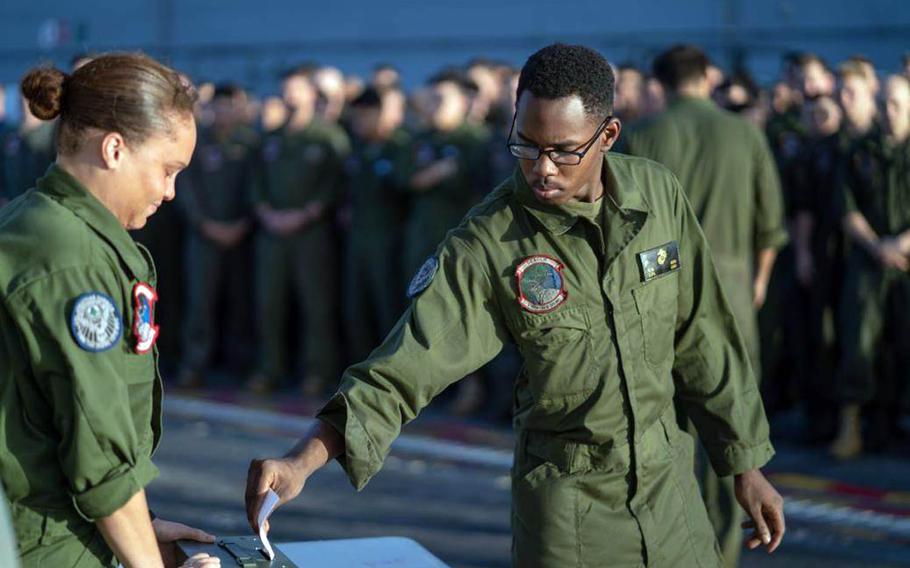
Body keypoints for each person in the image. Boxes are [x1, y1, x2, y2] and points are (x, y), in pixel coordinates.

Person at [245, 44, 785, 568]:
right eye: (526, 145)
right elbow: (404, 365)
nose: (542, 168)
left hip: (672, 500)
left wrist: (746, 464)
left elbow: (703, 336)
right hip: (570, 514)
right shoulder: (489, 243)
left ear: (608, 136)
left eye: (563, 150)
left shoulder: (657, 196)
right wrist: (304, 457)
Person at [0, 54, 218, 568]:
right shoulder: (70, 258)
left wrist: (138, 524)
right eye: (167, 170)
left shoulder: (33, 221)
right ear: (115, 149)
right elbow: (98, 449)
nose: (169, 191)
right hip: (47, 545)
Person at [623, 45, 788, 568]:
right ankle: (722, 551)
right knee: (731, 431)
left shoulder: (645, 134)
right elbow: (770, 224)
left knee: (663, 436)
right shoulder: (745, 132)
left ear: (661, 83)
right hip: (734, 289)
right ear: (707, 78)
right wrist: (757, 283)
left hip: (660, 291)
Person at [247, 65, 349, 395]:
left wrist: (307, 213)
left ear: (310, 94)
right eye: (284, 89)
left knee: (315, 305)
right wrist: (266, 213)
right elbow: (255, 182)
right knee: (269, 304)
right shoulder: (271, 138)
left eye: (296, 89)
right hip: (272, 233)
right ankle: (269, 368)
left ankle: (317, 372)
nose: (289, 96)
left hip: (311, 234)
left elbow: (335, 184)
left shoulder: (328, 137)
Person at [830, 75, 910, 460]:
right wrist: (879, 246)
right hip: (868, 260)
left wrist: (900, 244)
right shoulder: (860, 151)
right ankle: (852, 427)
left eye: (896, 104)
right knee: (859, 340)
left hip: (906, 259)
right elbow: (846, 208)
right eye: (883, 103)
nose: (887, 112)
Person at [177, 84, 259, 387]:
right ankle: (194, 364)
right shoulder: (198, 141)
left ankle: (239, 363)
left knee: (241, 301)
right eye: (220, 105)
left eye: (231, 105)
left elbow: (258, 186)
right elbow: (186, 188)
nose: (224, 112)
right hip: (204, 236)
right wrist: (204, 224)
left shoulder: (250, 143)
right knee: (200, 302)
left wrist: (243, 223)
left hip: (241, 235)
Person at [342, 87, 411, 363]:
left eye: (364, 116)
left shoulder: (399, 146)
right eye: (355, 116)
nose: (358, 123)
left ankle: (391, 369)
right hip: (358, 239)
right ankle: (361, 367)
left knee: (387, 308)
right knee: (355, 307)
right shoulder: (357, 148)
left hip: (387, 240)